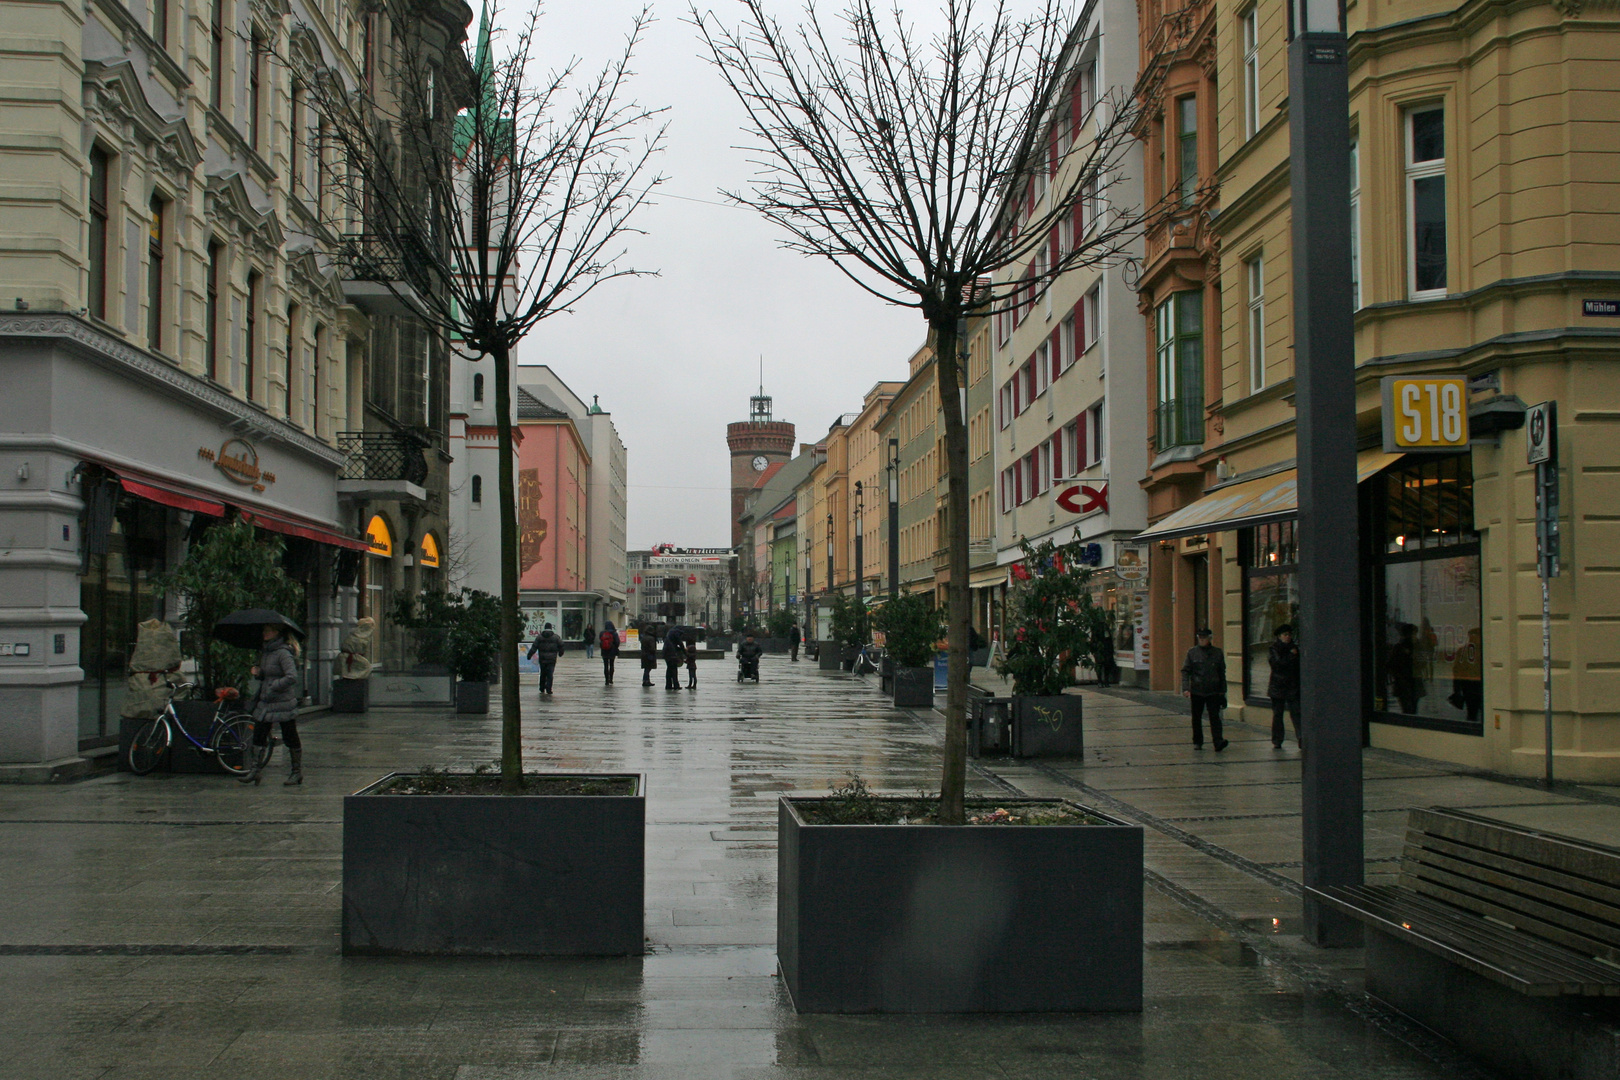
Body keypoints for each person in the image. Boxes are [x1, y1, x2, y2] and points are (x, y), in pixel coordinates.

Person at [241, 623, 304, 786]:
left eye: (268, 631)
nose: (264, 633)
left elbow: (291, 677)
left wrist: (274, 685)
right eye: (264, 630)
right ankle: (255, 771)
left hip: (283, 702)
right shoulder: (267, 652)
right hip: (267, 701)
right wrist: (259, 673)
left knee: (289, 734)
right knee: (259, 734)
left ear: (277, 633)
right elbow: (268, 674)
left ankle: (296, 772)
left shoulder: (283, 653)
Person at [1181, 628, 1229, 751]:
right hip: (1197, 690)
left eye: (1204, 638)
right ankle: (1197, 741)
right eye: (1200, 638)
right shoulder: (1192, 652)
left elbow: (1221, 673)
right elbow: (1186, 671)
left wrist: (1222, 691)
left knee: (1215, 717)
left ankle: (1218, 741)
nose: (1202, 640)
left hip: (1213, 690)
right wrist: (1186, 688)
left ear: (1209, 638)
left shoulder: (1217, 653)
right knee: (1196, 717)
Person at [1268, 624, 1302, 750]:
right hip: (1278, 686)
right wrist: (1291, 656)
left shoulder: (1295, 648)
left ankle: (1301, 738)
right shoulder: (1274, 648)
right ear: (1279, 636)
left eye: (1289, 634)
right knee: (1278, 714)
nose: (1288, 637)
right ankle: (1277, 740)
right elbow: (1277, 664)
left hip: (1292, 686)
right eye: (1285, 635)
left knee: (1297, 713)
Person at [526, 622, 563, 696]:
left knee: (543, 673)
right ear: (551, 628)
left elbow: (534, 647)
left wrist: (529, 655)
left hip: (542, 658)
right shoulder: (556, 637)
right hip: (552, 659)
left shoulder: (539, 637)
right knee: (550, 674)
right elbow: (561, 645)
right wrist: (560, 653)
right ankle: (549, 688)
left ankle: (542, 687)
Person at [663, 624, 686, 690]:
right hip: (671, 654)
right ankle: (676, 685)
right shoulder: (676, 633)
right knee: (674, 670)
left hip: (666, 653)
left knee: (669, 669)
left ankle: (668, 685)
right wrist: (685, 653)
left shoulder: (670, 633)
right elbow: (680, 643)